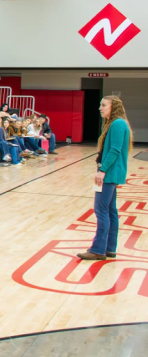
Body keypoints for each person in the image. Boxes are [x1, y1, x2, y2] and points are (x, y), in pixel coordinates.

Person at [78, 96, 132, 261]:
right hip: (113, 173)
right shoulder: (118, 123)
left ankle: (98, 249)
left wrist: (102, 170)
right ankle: (109, 248)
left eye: (103, 105)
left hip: (109, 174)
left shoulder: (117, 124)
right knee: (110, 211)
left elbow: (114, 150)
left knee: (101, 211)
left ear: (113, 107)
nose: (100, 108)